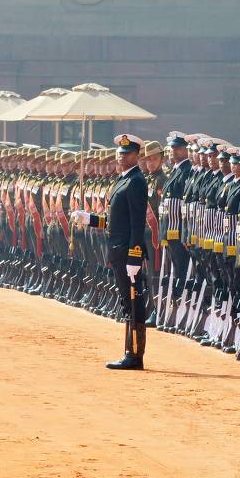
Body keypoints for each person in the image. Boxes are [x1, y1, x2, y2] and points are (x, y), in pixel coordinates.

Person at [71, 134, 148, 370]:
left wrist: (135, 255)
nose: (121, 156)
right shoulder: (122, 180)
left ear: (136, 156)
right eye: (120, 153)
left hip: (127, 252)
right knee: (127, 302)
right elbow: (116, 222)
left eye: (126, 153)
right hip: (117, 249)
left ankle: (134, 355)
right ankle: (129, 351)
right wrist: (91, 219)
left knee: (133, 302)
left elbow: (137, 223)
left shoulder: (136, 181)